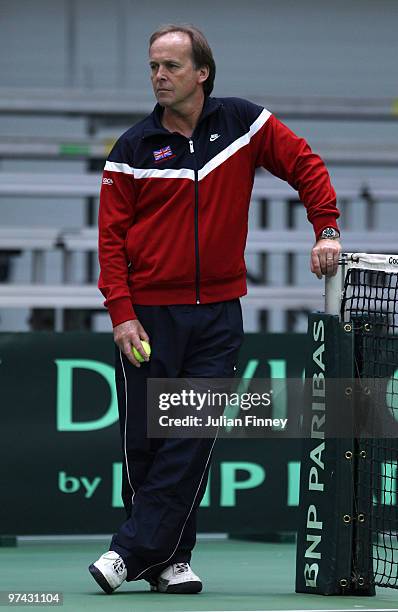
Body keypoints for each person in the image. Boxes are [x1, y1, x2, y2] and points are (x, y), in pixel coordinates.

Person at [89, 23, 341, 595]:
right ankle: (169, 561)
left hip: (218, 315)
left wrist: (326, 227)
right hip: (149, 318)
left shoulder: (244, 123)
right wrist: (122, 313)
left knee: (191, 436)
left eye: (171, 66)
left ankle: (130, 551)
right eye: (153, 65)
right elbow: (109, 241)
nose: (158, 76)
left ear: (202, 72)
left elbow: (306, 165)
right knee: (148, 442)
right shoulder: (131, 149)